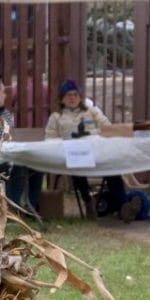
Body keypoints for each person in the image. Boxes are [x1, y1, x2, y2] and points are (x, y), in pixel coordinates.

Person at [43, 79, 125, 216]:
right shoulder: (56, 117)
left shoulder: (91, 112)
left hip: (96, 153)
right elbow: (49, 138)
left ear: (80, 97)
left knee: (113, 167)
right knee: (77, 166)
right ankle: (88, 202)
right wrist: (65, 142)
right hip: (72, 155)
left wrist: (91, 133)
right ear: (62, 99)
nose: (72, 98)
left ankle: (123, 207)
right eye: (68, 95)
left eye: (75, 95)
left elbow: (108, 128)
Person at [0, 75, 41, 215]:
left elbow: (9, 131)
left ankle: (30, 207)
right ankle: (13, 210)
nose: (5, 96)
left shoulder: (1, 113)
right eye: (2, 92)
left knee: (35, 165)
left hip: (0, 155)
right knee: (18, 166)